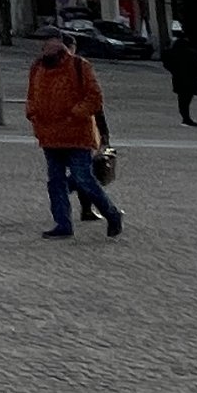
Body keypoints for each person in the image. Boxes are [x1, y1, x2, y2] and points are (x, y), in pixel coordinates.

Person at [27, 25, 122, 238]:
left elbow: (94, 97)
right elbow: (32, 95)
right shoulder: (37, 67)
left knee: (83, 178)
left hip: (76, 133)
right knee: (56, 182)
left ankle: (111, 213)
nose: (40, 45)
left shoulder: (79, 66)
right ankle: (63, 224)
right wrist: (33, 113)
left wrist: (74, 113)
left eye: (44, 40)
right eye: (38, 41)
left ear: (57, 41)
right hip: (49, 134)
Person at [162, 22, 197, 128]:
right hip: (190, 78)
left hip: (179, 78)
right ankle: (186, 118)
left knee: (182, 99)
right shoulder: (191, 52)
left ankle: (185, 117)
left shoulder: (173, 52)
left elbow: (167, 63)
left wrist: (174, 71)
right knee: (186, 98)